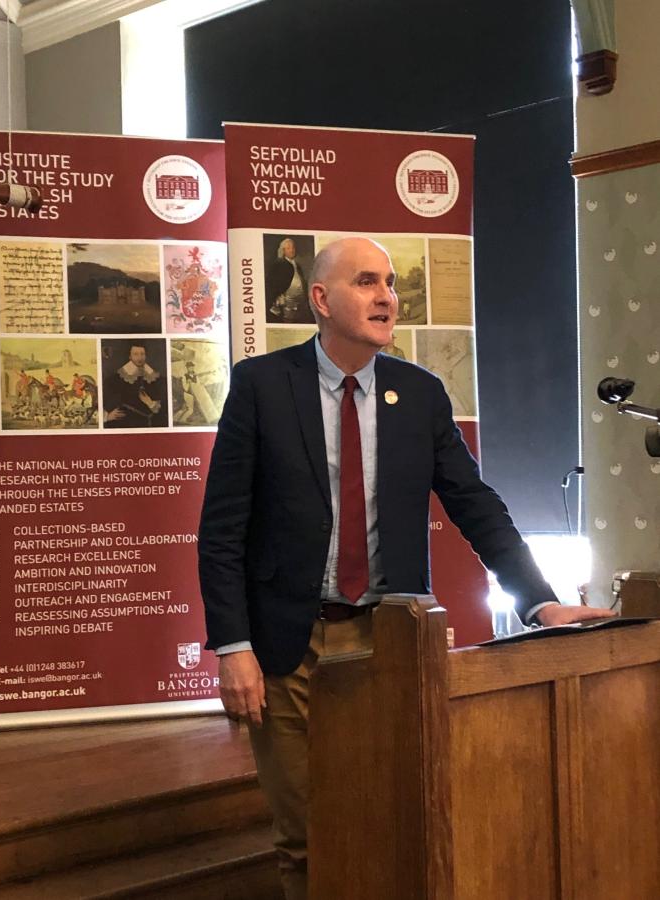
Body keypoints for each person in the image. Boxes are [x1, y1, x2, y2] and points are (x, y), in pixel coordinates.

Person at [198, 237, 614, 900]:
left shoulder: (418, 394)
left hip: (387, 641)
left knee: (392, 817)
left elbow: (475, 507)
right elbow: (221, 532)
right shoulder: (261, 387)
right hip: (285, 645)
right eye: (366, 281)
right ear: (320, 299)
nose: (386, 296)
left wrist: (541, 602)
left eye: (389, 282)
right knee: (307, 834)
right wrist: (233, 646)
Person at [104, 343, 166, 428]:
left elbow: (164, 402)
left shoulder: (155, 377)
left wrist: (150, 403)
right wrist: (107, 415)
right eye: (135, 354)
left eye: (142, 354)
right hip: (127, 423)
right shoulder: (116, 378)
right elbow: (107, 400)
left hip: (151, 423)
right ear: (130, 356)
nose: (140, 358)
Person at [265, 237, 314, 323]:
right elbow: (272, 284)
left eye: (293, 247)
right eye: (288, 248)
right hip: (286, 304)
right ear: (283, 251)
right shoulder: (279, 264)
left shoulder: (297, 265)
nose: (292, 250)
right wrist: (278, 297)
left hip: (299, 304)